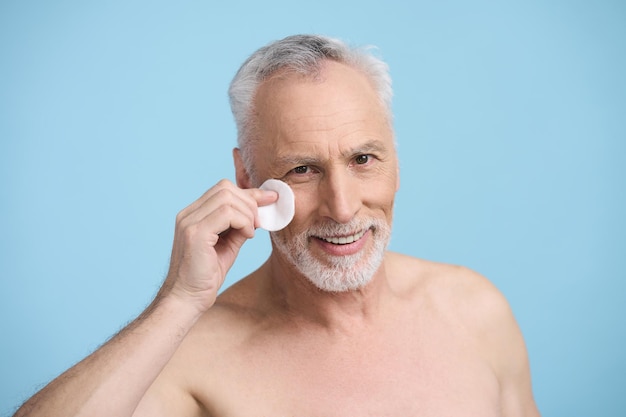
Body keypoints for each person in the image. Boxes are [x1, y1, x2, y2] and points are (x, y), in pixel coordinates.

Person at [14, 34, 540, 417]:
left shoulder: (476, 311)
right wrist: (177, 303)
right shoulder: (193, 359)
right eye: (303, 169)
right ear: (247, 177)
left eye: (363, 159)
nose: (341, 206)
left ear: (396, 163)